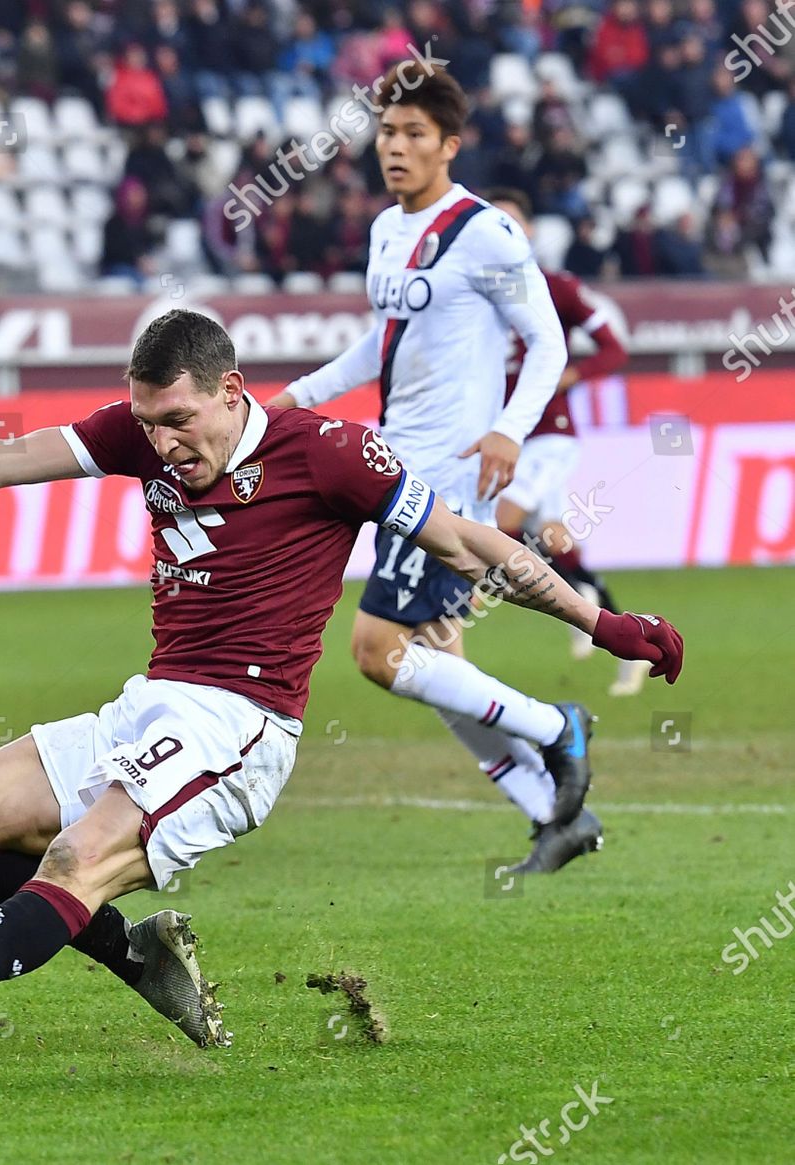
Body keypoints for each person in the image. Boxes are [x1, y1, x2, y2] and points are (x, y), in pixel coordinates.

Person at [0, 309, 684, 1061]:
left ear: (232, 393)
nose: (161, 443)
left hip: (242, 726)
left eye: (178, 420)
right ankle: (138, 954)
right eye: (149, 423)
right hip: (153, 699)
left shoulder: (330, 454)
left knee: (78, 860)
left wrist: (602, 624)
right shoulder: (139, 432)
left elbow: (471, 542)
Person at [265, 63, 604, 876]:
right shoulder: (387, 230)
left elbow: (550, 340)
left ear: (449, 145)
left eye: (415, 133)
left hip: (444, 482)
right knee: (436, 662)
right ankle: (556, 816)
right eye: (387, 132)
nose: (396, 147)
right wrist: (299, 398)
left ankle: (560, 727)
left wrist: (508, 431)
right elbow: (380, 340)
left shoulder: (485, 233)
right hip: (391, 468)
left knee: (379, 652)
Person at [484, 188, 645, 697]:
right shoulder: (475, 293)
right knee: (554, 541)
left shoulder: (557, 288)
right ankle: (626, 637)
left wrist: (575, 374)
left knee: (503, 525)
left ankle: (575, 601)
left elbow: (615, 348)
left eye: (512, 222)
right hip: (504, 435)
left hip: (549, 436)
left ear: (529, 230)